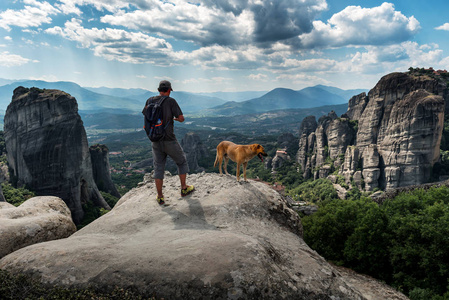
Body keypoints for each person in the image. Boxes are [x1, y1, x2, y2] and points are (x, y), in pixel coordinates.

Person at [144, 80, 195, 205]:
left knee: (158, 167)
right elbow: (182, 119)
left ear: (158, 90)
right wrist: (174, 118)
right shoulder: (170, 101)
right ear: (169, 90)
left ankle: (160, 196)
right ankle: (184, 188)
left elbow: (146, 117)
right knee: (181, 161)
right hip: (169, 139)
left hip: (155, 140)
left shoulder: (149, 100)